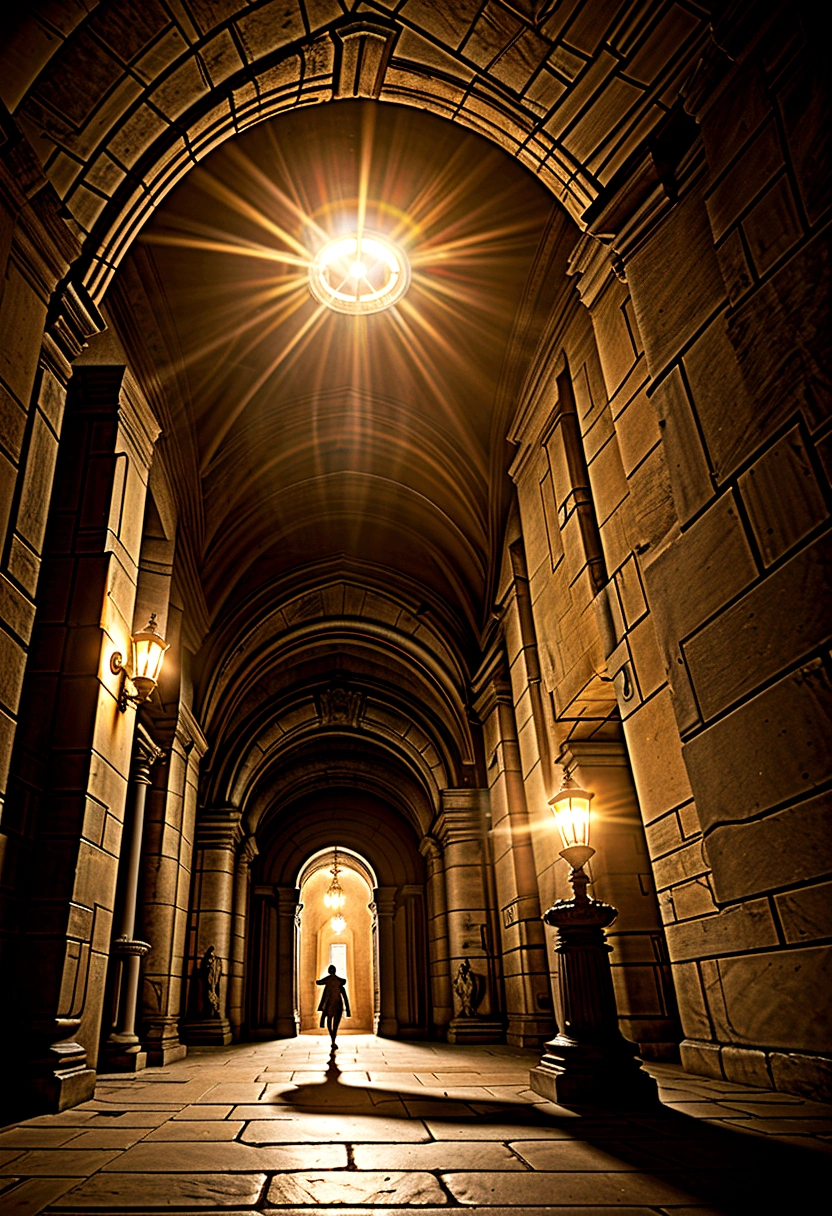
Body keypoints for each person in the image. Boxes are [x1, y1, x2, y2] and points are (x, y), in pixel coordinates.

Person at [316, 964, 351, 1045]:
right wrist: (348, 1010)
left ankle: (332, 1038)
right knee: (335, 1024)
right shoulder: (340, 982)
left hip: (329, 1005)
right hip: (338, 1004)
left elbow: (318, 982)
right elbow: (345, 998)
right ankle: (333, 1039)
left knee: (329, 1022)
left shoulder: (328, 981)